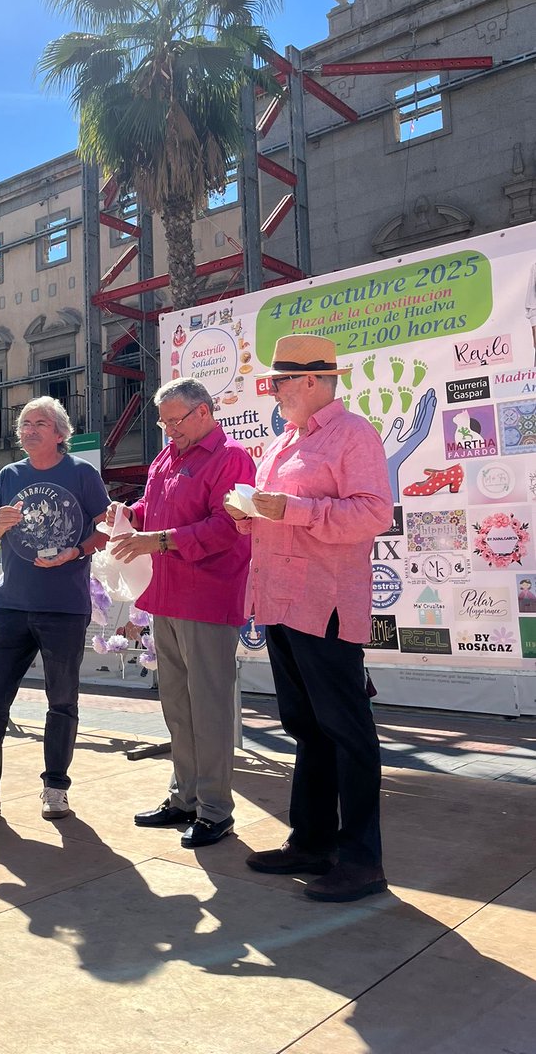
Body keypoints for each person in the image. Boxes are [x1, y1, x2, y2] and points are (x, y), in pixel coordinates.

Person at [225, 335, 394, 903]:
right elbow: (277, 517)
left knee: (346, 732)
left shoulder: (354, 435)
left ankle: (362, 860)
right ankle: (312, 841)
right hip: (279, 602)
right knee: (306, 728)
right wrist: (247, 513)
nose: (271, 391)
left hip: (323, 602)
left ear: (316, 381)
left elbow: (373, 512)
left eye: (279, 382)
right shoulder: (283, 443)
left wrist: (290, 509)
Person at [0, 396, 109, 821]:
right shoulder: (8, 475)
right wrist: (1, 524)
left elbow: (107, 528)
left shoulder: (82, 474)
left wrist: (76, 552)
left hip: (64, 608)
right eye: (25, 423)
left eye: (40, 423)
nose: (29, 430)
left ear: (60, 433)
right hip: (11, 605)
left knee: (62, 701)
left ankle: (55, 789)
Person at [109, 377, 255, 849]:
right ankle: (185, 797)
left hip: (208, 598)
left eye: (176, 420)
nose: (169, 430)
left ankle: (215, 811)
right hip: (167, 596)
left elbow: (227, 527)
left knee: (208, 708)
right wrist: (129, 514)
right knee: (177, 704)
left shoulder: (231, 457)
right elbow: (157, 507)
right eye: (164, 422)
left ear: (204, 413)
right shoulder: (167, 456)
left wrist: (162, 540)